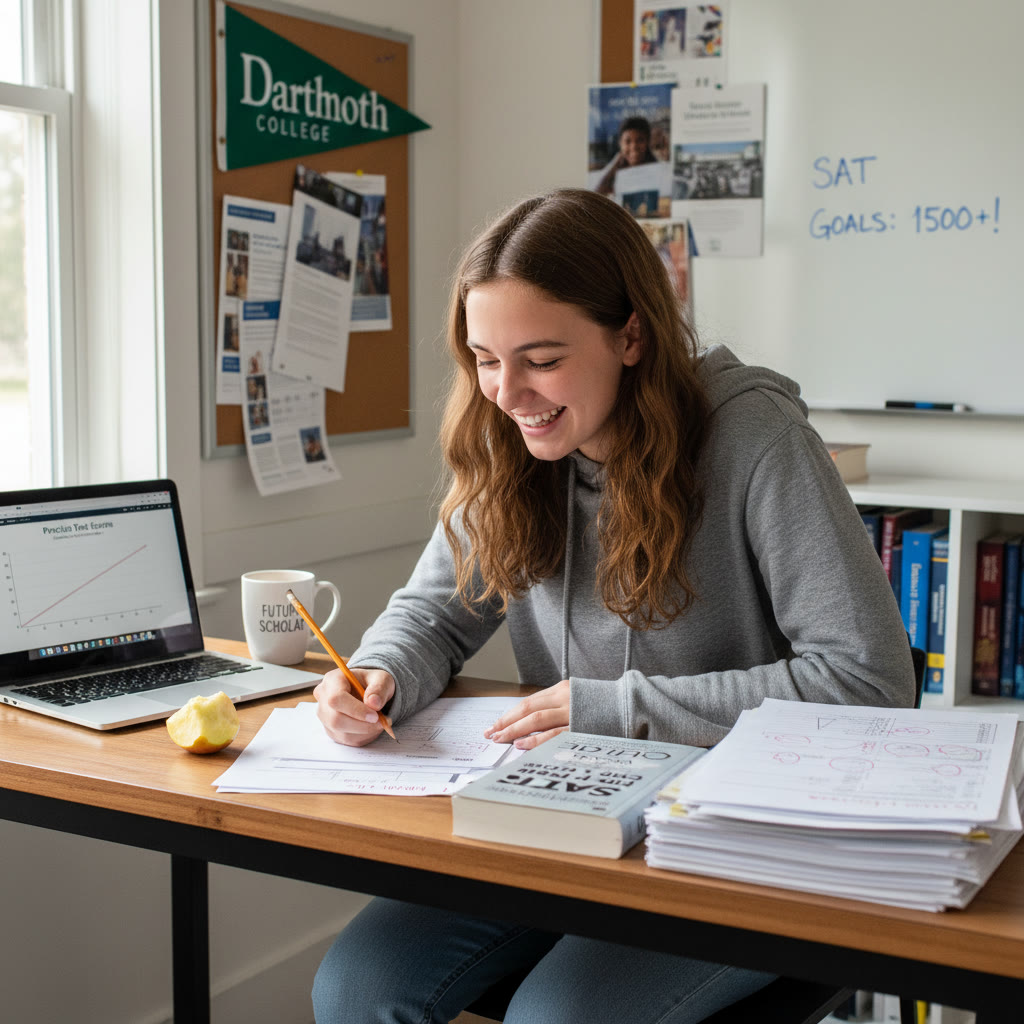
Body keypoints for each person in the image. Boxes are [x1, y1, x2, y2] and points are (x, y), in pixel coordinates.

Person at [310, 187, 915, 1024]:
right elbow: (438, 613)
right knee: (354, 988)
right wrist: (376, 672)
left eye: (541, 358)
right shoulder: (511, 443)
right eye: (485, 358)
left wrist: (616, 709)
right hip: (570, 821)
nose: (507, 392)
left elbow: (870, 680)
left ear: (631, 335)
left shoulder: (755, 441)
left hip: (726, 836)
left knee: (557, 1018)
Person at [595, 115, 660, 197]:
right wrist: (616, 162)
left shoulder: (657, 169)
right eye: (627, 141)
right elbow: (596, 196)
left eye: (640, 140)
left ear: (647, 142)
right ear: (620, 143)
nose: (634, 147)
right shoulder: (614, 172)